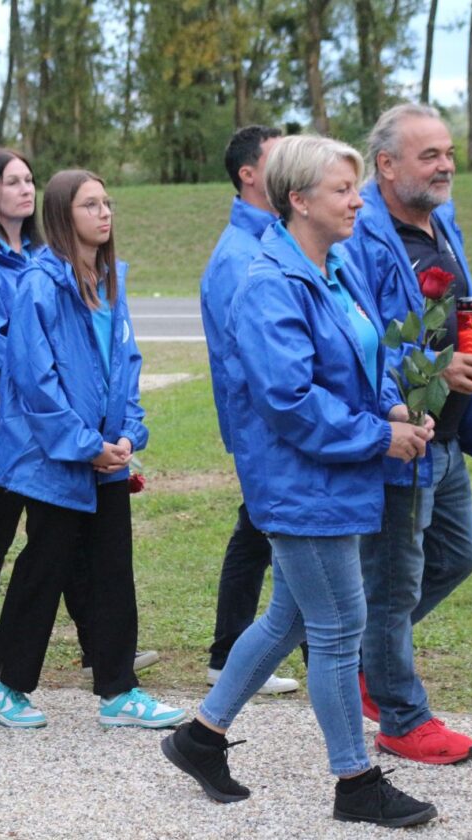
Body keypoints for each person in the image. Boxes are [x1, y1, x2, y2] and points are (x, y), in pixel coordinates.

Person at [161, 135, 437, 828]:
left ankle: (201, 737)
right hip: (299, 481)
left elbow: (351, 363)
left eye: (355, 188)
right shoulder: (267, 281)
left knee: (288, 618)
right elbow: (289, 400)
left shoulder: (331, 265)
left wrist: (393, 409)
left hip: (330, 473)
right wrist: (381, 436)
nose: (358, 200)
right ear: (298, 200)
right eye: (343, 190)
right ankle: (356, 781)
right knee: (340, 629)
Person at [0, 169, 182, 729]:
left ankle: (118, 691)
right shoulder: (40, 285)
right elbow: (35, 383)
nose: (105, 213)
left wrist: (129, 435)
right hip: (56, 460)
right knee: (47, 564)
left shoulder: (111, 281)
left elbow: (126, 366)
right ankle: (0, 679)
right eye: (91, 204)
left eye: (108, 202)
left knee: (113, 569)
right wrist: (84, 446)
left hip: (107, 457)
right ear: (64, 215)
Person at [343, 103, 472, 764]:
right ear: (385, 165)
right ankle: (402, 716)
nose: (445, 165)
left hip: (448, 430)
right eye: (428, 155)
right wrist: (436, 373)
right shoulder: (360, 239)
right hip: (404, 436)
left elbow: (456, 317)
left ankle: (366, 660)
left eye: (447, 152)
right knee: (393, 586)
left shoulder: (441, 221)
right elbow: (362, 347)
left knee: (457, 555)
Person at [198, 125, 298, 697]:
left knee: (260, 532)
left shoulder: (274, 238)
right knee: (265, 532)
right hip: (268, 424)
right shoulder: (240, 256)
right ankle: (231, 654)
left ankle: (229, 651)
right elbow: (250, 361)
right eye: (280, 155)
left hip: (276, 423)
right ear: (249, 174)